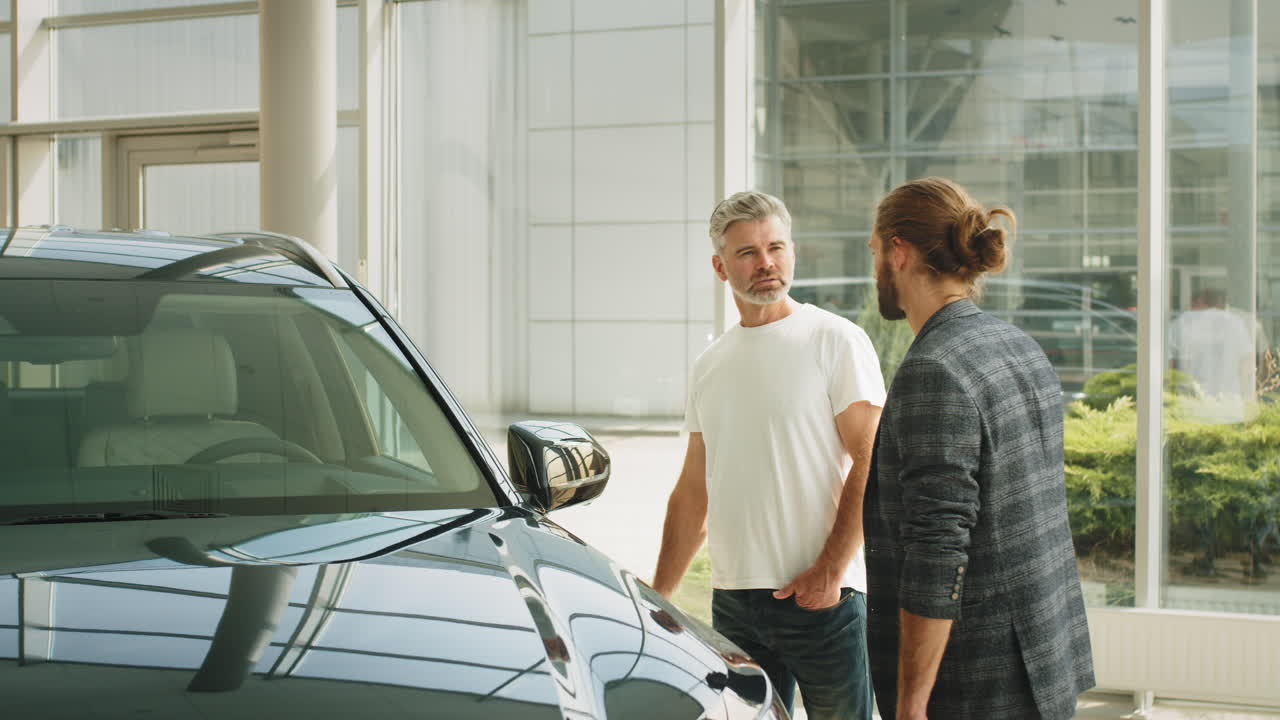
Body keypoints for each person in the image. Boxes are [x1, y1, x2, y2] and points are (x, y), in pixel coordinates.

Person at [863, 177, 1094, 720]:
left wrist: (911, 704)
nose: (874, 268)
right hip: (1045, 653)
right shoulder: (1017, 345)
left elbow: (937, 549)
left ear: (899, 252)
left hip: (975, 680)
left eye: (874, 253)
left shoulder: (933, 368)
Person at [652, 190, 885, 720]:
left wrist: (831, 570)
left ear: (792, 252)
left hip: (823, 601)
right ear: (720, 267)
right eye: (747, 252)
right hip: (734, 604)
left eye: (776, 248)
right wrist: (660, 598)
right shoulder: (710, 364)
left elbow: (873, 459)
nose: (766, 263)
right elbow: (693, 491)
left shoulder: (834, 340)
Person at [1168, 286, 1255, 425]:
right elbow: (1247, 365)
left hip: (1192, 407)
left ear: (1200, 301)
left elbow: (1170, 368)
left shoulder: (1182, 322)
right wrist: (1248, 399)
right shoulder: (1236, 322)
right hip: (1230, 406)